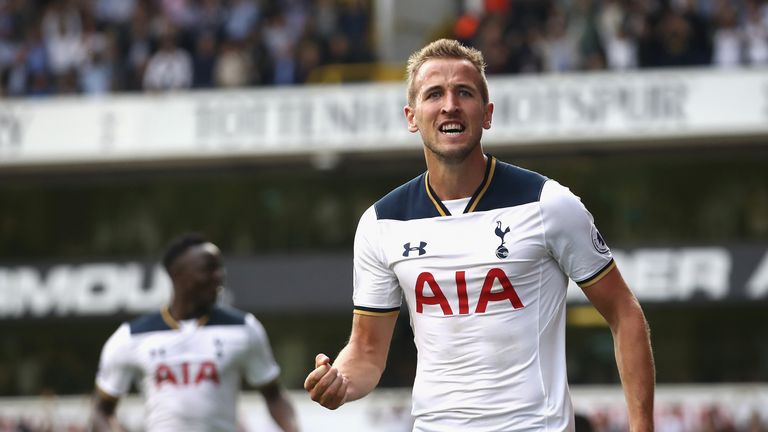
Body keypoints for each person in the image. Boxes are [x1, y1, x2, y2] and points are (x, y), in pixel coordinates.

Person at [304, 38, 655, 431]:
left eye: (464, 93)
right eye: (434, 93)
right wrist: (342, 380)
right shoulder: (381, 223)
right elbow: (367, 351)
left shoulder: (548, 205)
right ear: (412, 116)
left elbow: (624, 313)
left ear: (487, 114)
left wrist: (642, 426)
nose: (449, 105)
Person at [89, 233, 299, 432]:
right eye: (209, 269)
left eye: (220, 268)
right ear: (179, 275)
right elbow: (101, 411)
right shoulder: (131, 337)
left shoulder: (244, 328)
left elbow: (274, 396)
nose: (219, 276)